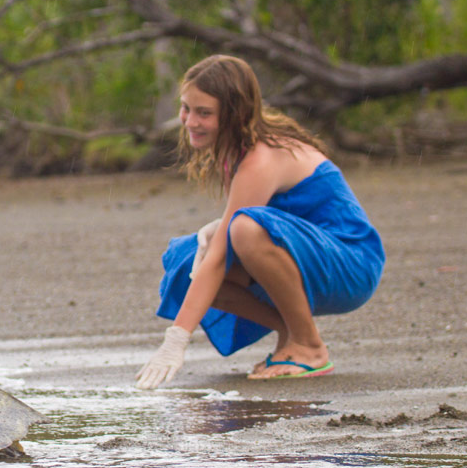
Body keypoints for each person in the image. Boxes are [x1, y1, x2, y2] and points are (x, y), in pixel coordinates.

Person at [136, 55, 384, 389]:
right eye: (186, 108)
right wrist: (215, 227)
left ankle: (310, 347)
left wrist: (175, 341)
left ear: (234, 114)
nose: (190, 121)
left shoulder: (261, 157)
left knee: (243, 230)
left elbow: (230, 246)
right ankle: (290, 332)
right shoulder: (234, 149)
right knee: (184, 264)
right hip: (302, 258)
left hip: (350, 263)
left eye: (204, 113)